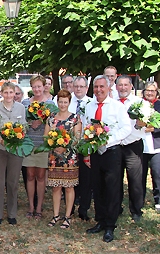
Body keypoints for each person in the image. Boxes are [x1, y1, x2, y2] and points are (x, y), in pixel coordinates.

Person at [84, 75, 131, 243]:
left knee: (111, 189)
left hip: (112, 152)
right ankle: (100, 220)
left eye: (102, 87)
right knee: (97, 187)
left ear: (109, 87)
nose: (98, 90)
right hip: (95, 152)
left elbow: (126, 128)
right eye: (96, 87)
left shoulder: (117, 107)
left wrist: (107, 140)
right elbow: (86, 127)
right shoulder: (90, 107)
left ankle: (110, 225)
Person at [0, 82, 26, 225]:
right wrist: (0, 139)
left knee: (13, 182)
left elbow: (24, 128)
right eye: (6, 92)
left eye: (12, 92)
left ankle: (12, 213)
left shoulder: (21, 108)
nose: (9, 95)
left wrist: (18, 137)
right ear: (2, 93)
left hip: (15, 150)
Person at [44, 89, 81, 229]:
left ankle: (68, 216)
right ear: (57, 102)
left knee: (69, 187)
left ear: (69, 103)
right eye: (61, 101)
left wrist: (66, 147)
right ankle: (55, 215)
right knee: (55, 187)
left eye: (65, 102)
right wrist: (53, 145)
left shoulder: (75, 119)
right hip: (54, 157)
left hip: (69, 158)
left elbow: (77, 138)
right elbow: (46, 136)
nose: (63, 104)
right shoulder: (51, 118)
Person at [21, 75, 54, 220]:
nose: (37, 89)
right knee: (29, 176)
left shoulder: (51, 104)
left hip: (42, 144)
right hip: (28, 144)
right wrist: (30, 123)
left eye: (39, 86)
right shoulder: (25, 103)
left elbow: (54, 124)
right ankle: (31, 206)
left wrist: (43, 122)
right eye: (34, 87)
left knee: (41, 177)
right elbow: (20, 123)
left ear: (44, 87)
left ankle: (39, 207)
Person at [116, 75, 145, 221]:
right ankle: (116, 207)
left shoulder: (139, 103)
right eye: (120, 85)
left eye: (125, 85)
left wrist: (143, 123)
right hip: (116, 146)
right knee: (115, 179)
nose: (122, 88)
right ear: (116, 87)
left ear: (131, 86)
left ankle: (136, 210)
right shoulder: (113, 103)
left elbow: (149, 123)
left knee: (134, 180)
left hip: (133, 146)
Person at [140, 81, 160, 212]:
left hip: (158, 146)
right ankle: (140, 200)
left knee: (156, 172)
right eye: (147, 90)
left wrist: (153, 129)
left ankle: (157, 199)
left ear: (157, 92)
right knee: (141, 174)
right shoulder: (139, 105)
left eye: (152, 91)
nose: (149, 93)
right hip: (142, 146)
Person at [71, 76, 93, 221]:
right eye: (76, 86)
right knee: (70, 179)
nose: (78, 89)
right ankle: (70, 207)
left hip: (86, 145)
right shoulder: (67, 102)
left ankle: (83, 209)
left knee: (86, 180)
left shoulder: (92, 103)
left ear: (86, 88)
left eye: (81, 86)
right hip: (69, 146)